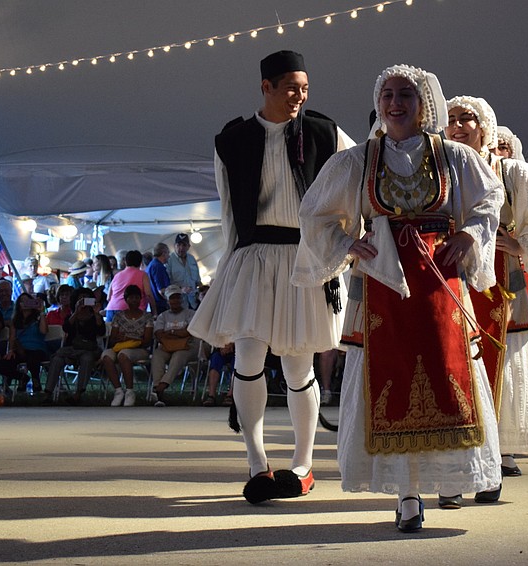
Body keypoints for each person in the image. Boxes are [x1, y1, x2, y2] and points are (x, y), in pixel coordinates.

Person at [291, 64, 504, 532]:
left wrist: (469, 235)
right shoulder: (360, 160)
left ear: (424, 101)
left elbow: (490, 198)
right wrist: (347, 243)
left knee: (448, 376)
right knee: (393, 382)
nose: (394, 103)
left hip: (439, 283)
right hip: (383, 286)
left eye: (405, 93)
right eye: (387, 94)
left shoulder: (452, 156)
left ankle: (450, 479)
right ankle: (408, 497)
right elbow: (314, 211)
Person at [188, 50, 356, 504]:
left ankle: (303, 464)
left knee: (299, 363)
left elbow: (356, 186)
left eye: (304, 88)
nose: (299, 97)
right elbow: (228, 213)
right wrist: (228, 269)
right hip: (254, 256)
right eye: (290, 89)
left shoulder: (325, 132)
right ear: (266, 87)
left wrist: (341, 252)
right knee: (247, 358)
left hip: (306, 255)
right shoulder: (234, 139)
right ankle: (256, 462)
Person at [443, 94, 528, 487]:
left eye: (468, 119)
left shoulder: (513, 173)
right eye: (452, 119)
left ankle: (503, 448)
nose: (459, 126)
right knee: (456, 358)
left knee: (506, 359)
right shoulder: (439, 169)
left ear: (486, 127)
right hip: (452, 277)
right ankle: (461, 449)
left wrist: (521, 245)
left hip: (504, 285)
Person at [42, 287, 105, 405]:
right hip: (72, 349)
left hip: (89, 349)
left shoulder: (95, 317)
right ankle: (48, 393)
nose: (83, 301)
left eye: (86, 298)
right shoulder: (72, 316)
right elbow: (66, 328)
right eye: (81, 299)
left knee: (86, 358)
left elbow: (101, 332)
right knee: (57, 359)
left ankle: (78, 394)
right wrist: (76, 312)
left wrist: (96, 314)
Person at [101, 284, 154, 406]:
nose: (134, 300)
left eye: (137, 297)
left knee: (123, 355)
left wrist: (127, 338)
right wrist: (133, 337)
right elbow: (113, 338)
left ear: (140, 299)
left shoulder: (147, 317)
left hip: (139, 349)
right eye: (131, 298)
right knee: (106, 355)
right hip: (118, 347)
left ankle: (130, 391)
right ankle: (118, 391)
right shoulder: (118, 316)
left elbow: (146, 340)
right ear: (126, 299)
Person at [150, 285, 197, 407]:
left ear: (181, 299)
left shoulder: (190, 314)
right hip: (166, 346)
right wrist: (178, 333)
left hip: (187, 346)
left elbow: (189, 332)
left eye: (177, 297)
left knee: (179, 356)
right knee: (157, 355)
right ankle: (157, 387)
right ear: (167, 300)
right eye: (172, 298)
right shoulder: (162, 316)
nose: (175, 301)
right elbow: (159, 334)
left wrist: (170, 332)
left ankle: (161, 386)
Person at [0, 292, 49, 394]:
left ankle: (36, 380)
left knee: (33, 358)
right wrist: (10, 350)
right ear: (19, 305)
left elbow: (44, 331)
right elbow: (12, 337)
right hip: (21, 350)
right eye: (23, 301)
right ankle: (22, 377)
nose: (26, 303)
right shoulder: (15, 321)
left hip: (37, 349)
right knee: (2, 364)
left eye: (28, 300)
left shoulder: (38, 318)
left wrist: (42, 312)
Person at [104, 250, 156, 321]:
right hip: (132, 311)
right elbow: (149, 294)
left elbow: (108, 297)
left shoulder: (117, 275)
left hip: (112, 310)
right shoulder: (143, 275)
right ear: (141, 262)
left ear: (125, 262)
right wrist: (155, 312)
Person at [167, 234, 201, 309]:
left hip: (194, 301)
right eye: (178, 245)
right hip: (179, 303)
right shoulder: (169, 260)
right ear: (174, 245)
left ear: (188, 246)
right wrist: (180, 289)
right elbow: (167, 283)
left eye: (184, 245)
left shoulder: (192, 258)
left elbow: (198, 280)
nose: (181, 248)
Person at [202, 342, 235, 407]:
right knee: (215, 359)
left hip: (238, 350)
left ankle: (230, 395)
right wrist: (222, 345)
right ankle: (211, 395)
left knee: (237, 363)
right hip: (220, 347)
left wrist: (232, 345)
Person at [146, 243, 171, 314]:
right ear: (163, 253)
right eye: (168, 253)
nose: (169, 256)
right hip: (161, 306)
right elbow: (162, 290)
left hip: (153, 305)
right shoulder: (158, 267)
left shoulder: (150, 266)